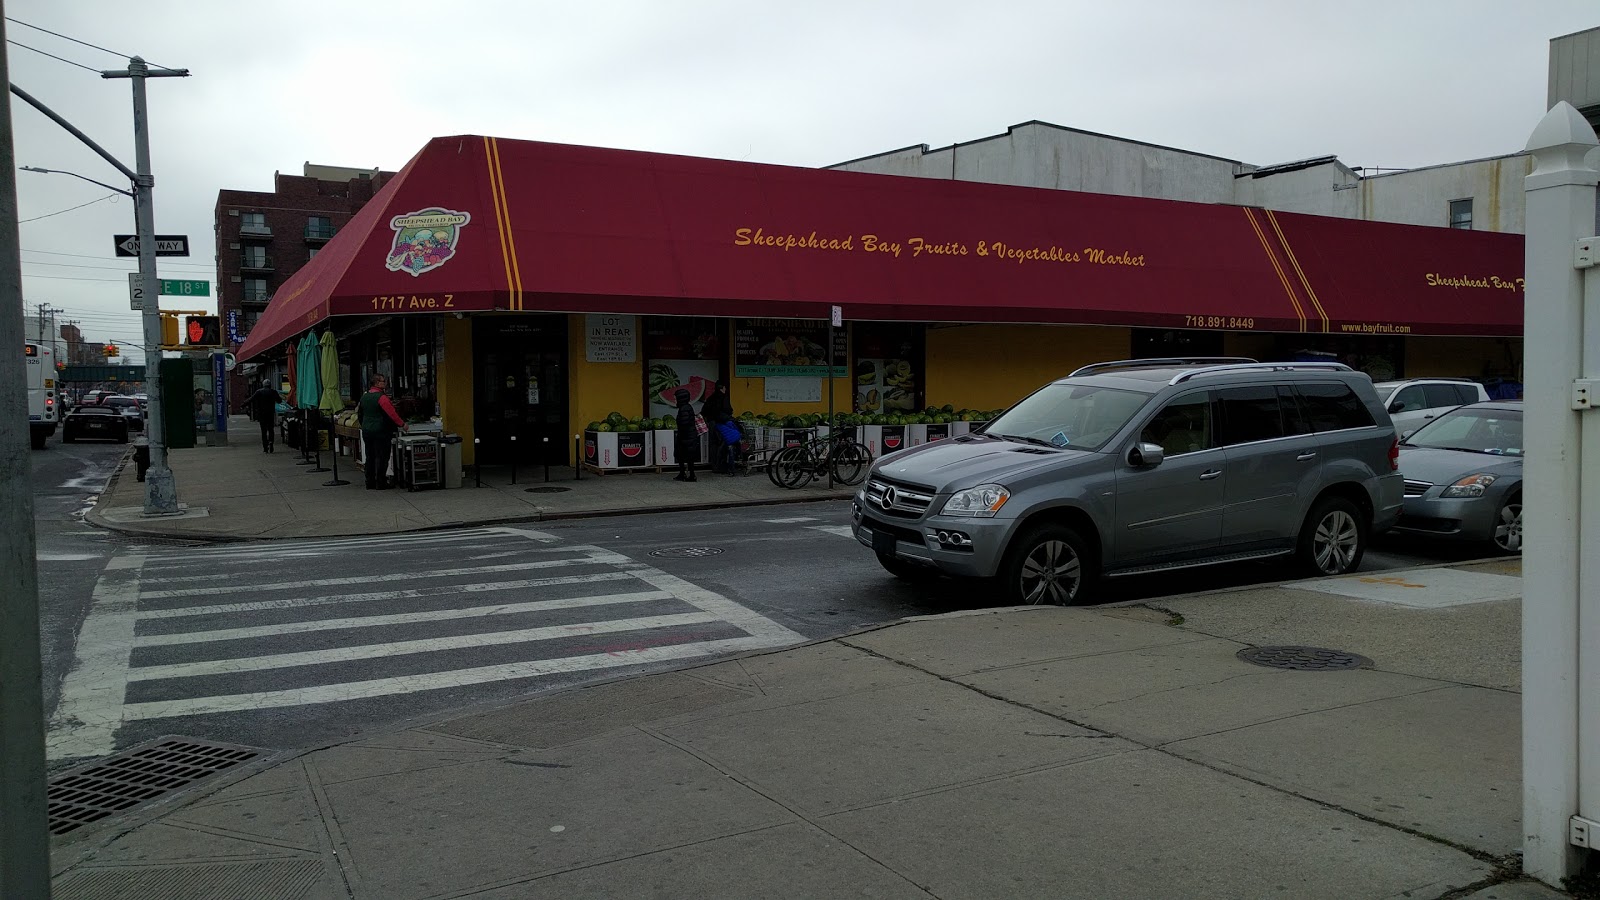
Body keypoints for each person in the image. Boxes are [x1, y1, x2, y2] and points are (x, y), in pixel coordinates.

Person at [360, 374, 406, 489]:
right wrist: (402, 424)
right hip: (380, 431)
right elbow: (392, 414)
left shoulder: (364, 397)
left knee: (370, 456)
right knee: (382, 456)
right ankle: (381, 482)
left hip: (367, 431)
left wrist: (365, 425)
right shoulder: (382, 398)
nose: (385, 383)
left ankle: (369, 482)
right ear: (377, 383)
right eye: (383, 381)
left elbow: (360, 414)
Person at [701, 380, 734, 473]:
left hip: (711, 424)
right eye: (725, 387)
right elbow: (728, 411)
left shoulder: (711, 398)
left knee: (713, 444)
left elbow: (704, 411)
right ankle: (721, 466)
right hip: (722, 424)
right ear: (722, 388)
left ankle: (714, 466)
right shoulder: (724, 398)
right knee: (722, 444)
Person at [672, 388, 699, 482]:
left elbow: (684, 423)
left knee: (687, 456)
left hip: (687, 437)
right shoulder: (686, 407)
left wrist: (681, 433)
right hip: (687, 436)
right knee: (682, 455)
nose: (674, 400)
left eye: (675, 398)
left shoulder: (684, 409)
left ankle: (691, 475)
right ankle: (683, 473)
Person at [249, 381, 282, 453]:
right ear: (270, 385)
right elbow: (279, 401)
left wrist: (243, 405)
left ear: (263, 385)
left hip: (262, 414)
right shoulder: (273, 392)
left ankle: (265, 447)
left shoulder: (259, 392)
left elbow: (251, 399)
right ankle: (271, 442)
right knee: (271, 429)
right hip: (270, 413)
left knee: (263, 431)